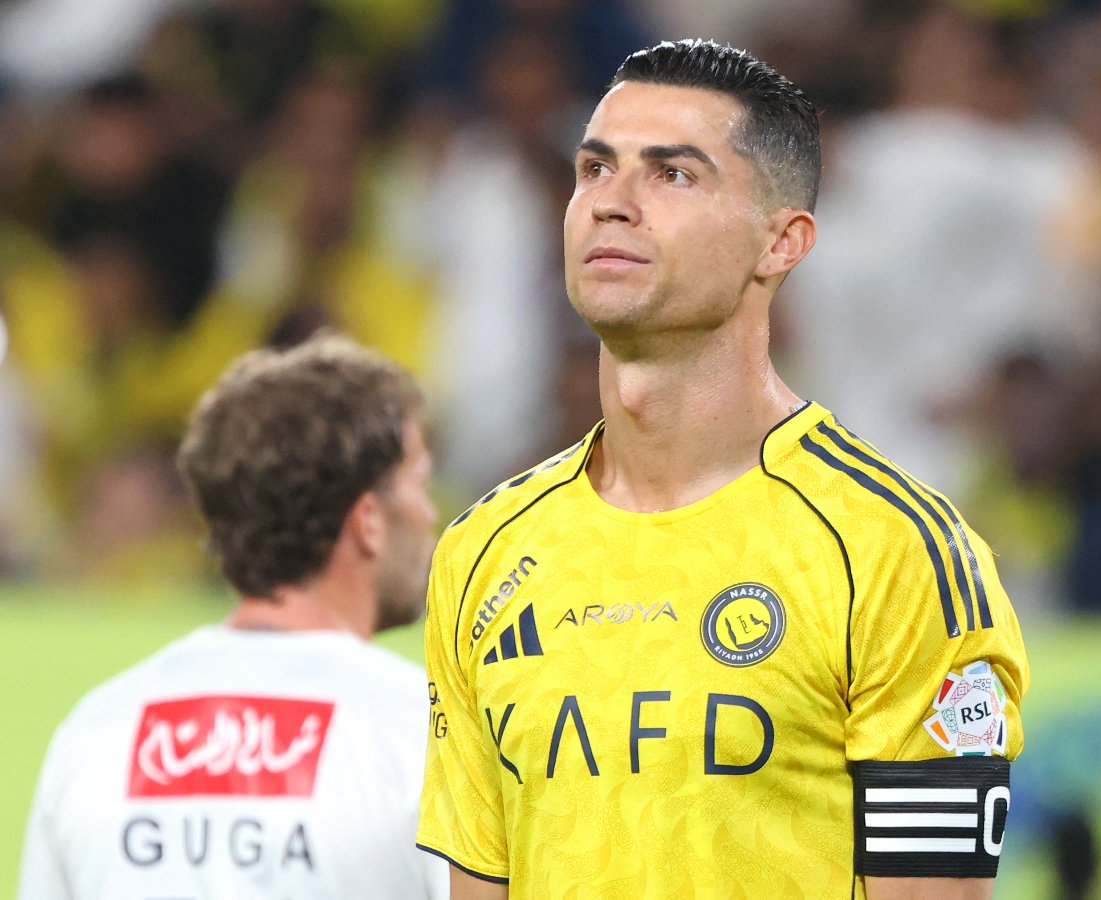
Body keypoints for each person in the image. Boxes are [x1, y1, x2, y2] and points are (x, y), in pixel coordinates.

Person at [417, 39, 1029, 900]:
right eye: (594, 169)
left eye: (672, 176)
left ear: (781, 243)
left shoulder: (895, 552)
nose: (611, 205)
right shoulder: (482, 552)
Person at [18, 334, 449, 899]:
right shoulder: (422, 734)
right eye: (418, 481)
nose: (431, 512)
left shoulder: (96, 733)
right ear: (368, 519)